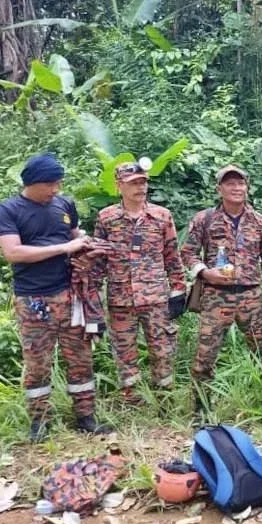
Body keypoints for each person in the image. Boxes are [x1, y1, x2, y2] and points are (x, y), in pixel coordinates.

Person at [0, 152, 110, 441]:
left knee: (80, 358)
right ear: (33, 182)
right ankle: (39, 423)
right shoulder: (9, 210)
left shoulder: (64, 204)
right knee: (37, 362)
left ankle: (86, 417)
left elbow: (73, 235)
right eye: (50, 185)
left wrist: (85, 245)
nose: (56, 190)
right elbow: (12, 252)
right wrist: (62, 249)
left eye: (58, 184)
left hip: (70, 295)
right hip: (33, 301)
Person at [181, 164, 262, 412]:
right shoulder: (205, 219)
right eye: (230, 183)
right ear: (219, 188)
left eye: (240, 183)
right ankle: (202, 409)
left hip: (251, 295)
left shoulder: (260, 221)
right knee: (205, 356)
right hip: (216, 296)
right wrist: (203, 271)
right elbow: (188, 252)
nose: (236, 188)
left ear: (247, 187)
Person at [90, 162, 187, 403]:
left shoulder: (161, 216)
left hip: (155, 297)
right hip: (121, 298)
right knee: (124, 352)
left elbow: (172, 256)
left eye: (143, 182)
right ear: (119, 185)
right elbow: (99, 259)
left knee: (162, 350)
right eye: (133, 183)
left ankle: (164, 398)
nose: (140, 187)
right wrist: (92, 298)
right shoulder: (107, 218)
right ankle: (132, 400)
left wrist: (178, 290)